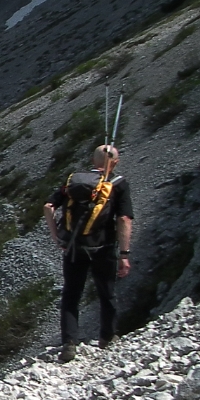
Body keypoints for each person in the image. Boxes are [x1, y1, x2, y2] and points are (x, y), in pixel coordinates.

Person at [44, 144, 133, 362]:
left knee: (71, 294)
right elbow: (124, 219)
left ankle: (68, 343)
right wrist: (124, 253)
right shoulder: (118, 184)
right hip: (103, 248)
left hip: (74, 247)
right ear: (115, 163)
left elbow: (48, 207)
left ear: (94, 162)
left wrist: (56, 235)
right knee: (107, 292)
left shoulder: (74, 181)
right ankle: (107, 337)